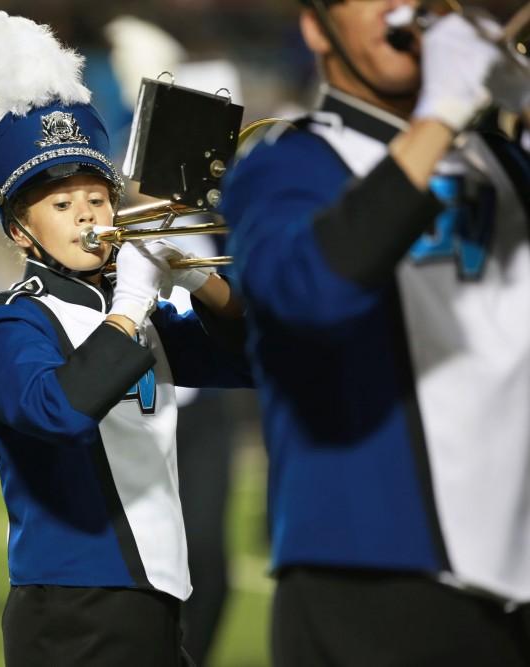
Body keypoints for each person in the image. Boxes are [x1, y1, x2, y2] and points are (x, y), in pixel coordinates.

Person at [219, 2, 530, 665]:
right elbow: (310, 295)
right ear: (315, 27)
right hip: (371, 571)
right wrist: (438, 116)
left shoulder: (505, 160)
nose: (402, 8)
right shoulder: (284, 163)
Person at [0, 12, 251, 666]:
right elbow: (57, 409)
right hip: (72, 608)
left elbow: (253, 359)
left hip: (154, 591)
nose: (88, 214)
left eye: (96, 197)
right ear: (20, 232)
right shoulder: (9, 320)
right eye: (61, 206)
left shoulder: (136, 313)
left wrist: (196, 272)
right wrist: (131, 302)